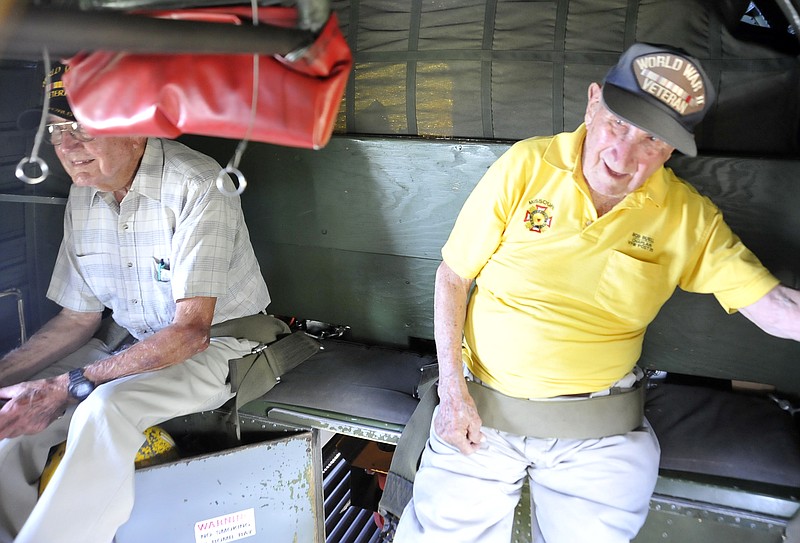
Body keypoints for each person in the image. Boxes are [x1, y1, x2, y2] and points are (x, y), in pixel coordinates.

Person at [393, 42, 800, 543]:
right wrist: (452, 394)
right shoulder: (526, 166)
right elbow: (454, 276)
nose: (623, 153)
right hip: (481, 412)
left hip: (599, 435)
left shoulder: (686, 217)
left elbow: (777, 308)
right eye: (618, 122)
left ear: (672, 149)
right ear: (591, 102)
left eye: (651, 138)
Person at [0, 63, 273, 543]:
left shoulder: (197, 185)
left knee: (104, 411)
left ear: (137, 127)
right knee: (10, 423)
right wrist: (10, 379)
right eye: (57, 130)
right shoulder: (86, 195)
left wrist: (71, 384)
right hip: (130, 342)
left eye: (83, 128)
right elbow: (77, 318)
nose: (67, 147)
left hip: (219, 347)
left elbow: (191, 332)